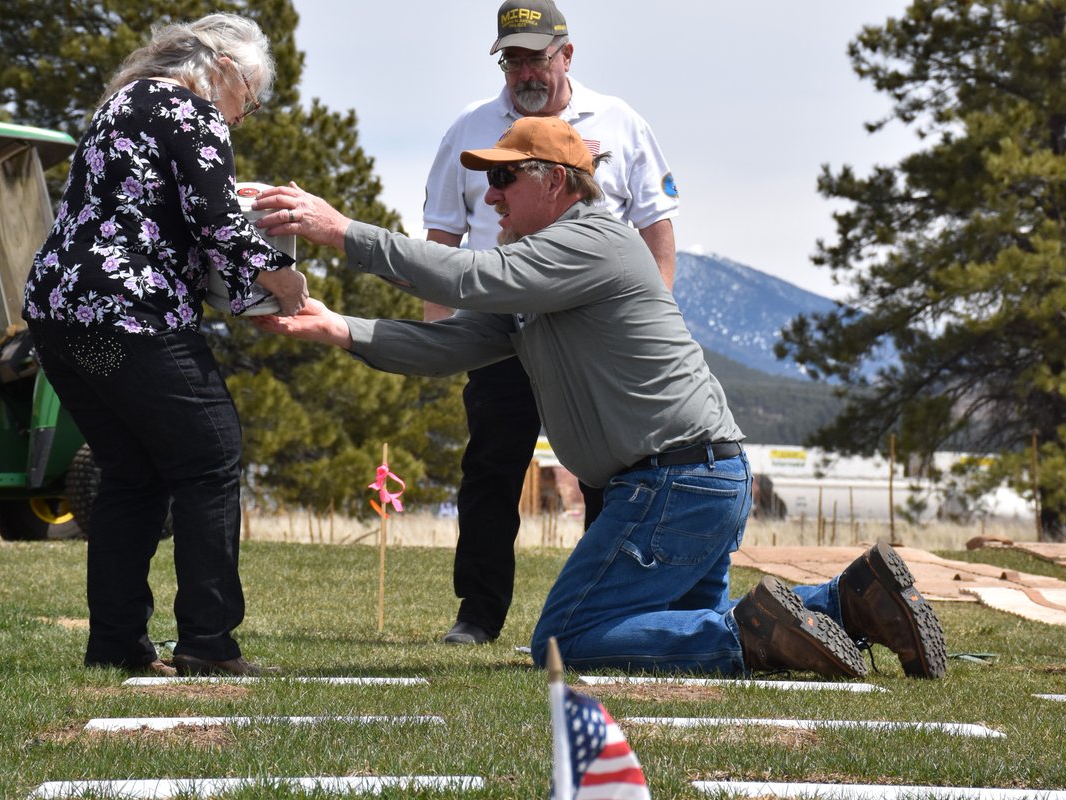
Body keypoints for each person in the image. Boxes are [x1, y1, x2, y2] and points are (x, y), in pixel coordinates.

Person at [250, 116, 948, 679]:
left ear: (555, 181)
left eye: (502, 177)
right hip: (694, 482)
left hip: (671, 486)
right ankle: (854, 600)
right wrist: (341, 329)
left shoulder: (586, 242)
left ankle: (754, 633)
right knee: (668, 639)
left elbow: (463, 277)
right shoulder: (544, 275)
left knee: (567, 639)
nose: (489, 195)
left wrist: (342, 233)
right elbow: (449, 346)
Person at [22, 13, 307, 677]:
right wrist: (282, 280)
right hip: (126, 316)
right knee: (211, 454)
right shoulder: (191, 109)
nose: (244, 115)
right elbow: (216, 225)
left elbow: (158, 211)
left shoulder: (125, 100)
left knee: (133, 468)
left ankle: (117, 645)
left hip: (64, 320)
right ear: (225, 71)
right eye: (251, 98)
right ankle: (209, 645)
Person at [423, 0, 680, 646]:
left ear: (567, 55)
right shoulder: (469, 129)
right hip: (500, 332)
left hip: (596, 340)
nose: (523, 72)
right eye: (511, 59)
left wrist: (653, 324)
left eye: (536, 57)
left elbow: (657, 230)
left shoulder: (621, 123)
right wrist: (441, 337)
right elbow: (440, 239)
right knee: (490, 470)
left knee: (606, 473)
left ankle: (604, 611)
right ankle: (477, 616)